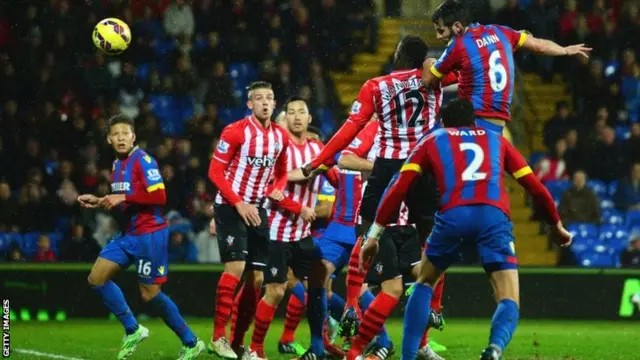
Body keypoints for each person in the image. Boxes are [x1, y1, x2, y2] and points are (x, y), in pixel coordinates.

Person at [359, 99, 572, 360]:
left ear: (444, 123)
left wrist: (374, 235)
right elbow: (535, 187)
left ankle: (409, 356)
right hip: (493, 217)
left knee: (424, 281)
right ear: (474, 121)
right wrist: (556, 225)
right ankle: (494, 348)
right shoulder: (496, 140)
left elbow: (397, 188)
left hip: (452, 216)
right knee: (508, 297)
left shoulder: (433, 139)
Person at [301, 36, 457, 333]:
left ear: (399, 54)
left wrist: (320, 159)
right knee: (435, 235)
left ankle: (350, 305)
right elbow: (467, 71)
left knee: (369, 231)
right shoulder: (435, 80)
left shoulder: (376, 85)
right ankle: (434, 305)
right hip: (424, 165)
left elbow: (350, 128)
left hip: (388, 167)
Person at [79, 114, 205, 360]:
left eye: (125, 133)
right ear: (109, 139)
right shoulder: (117, 165)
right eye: (116, 134)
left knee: (150, 294)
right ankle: (133, 329)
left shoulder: (143, 160)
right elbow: (123, 200)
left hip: (149, 234)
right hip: (128, 234)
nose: (121, 138)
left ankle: (191, 342)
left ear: (133, 136)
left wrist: (123, 197)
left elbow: (159, 197)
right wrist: (100, 201)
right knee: (96, 279)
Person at [339, 120, 445, 360]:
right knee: (392, 288)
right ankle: (355, 349)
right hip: (379, 221)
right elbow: (344, 159)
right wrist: (382, 167)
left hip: (410, 223)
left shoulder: (423, 132)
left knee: (430, 274)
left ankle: (421, 343)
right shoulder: (376, 129)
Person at [245, 96, 339, 360]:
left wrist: (343, 176)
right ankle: (256, 348)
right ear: (285, 118)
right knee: (274, 290)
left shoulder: (317, 148)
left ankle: (319, 346)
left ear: (310, 119)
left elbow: (334, 176)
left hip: (302, 234)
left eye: (302, 112)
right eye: (292, 112)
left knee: (319, 288)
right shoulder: (279, 148)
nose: (297, 117)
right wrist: (301, 207)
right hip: (276, 232)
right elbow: (271, 187)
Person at [207, 81, 290, 358]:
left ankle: (238, 342)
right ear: (249, 104)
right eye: (258, 98)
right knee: (236, 268)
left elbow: (281, 171)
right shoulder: (234, 131)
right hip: (231, 206)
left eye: (269, 98)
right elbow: (215, 172)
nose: (265, 102)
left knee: (256, 280)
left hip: (258, 209)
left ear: (275, 104)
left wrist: (277, 186)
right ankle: (218, 337)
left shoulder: (281, 136)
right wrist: (238, 203)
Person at [422, 0, 591, 134]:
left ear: (457, 26)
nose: (438, 36)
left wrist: (428, 61)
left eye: (441, 30)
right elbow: (539, 46)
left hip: (471, 123)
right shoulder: (501, 31)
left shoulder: (458, 46)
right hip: (498, 127)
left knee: (426, 146)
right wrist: (565, 50)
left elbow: (428, 80)